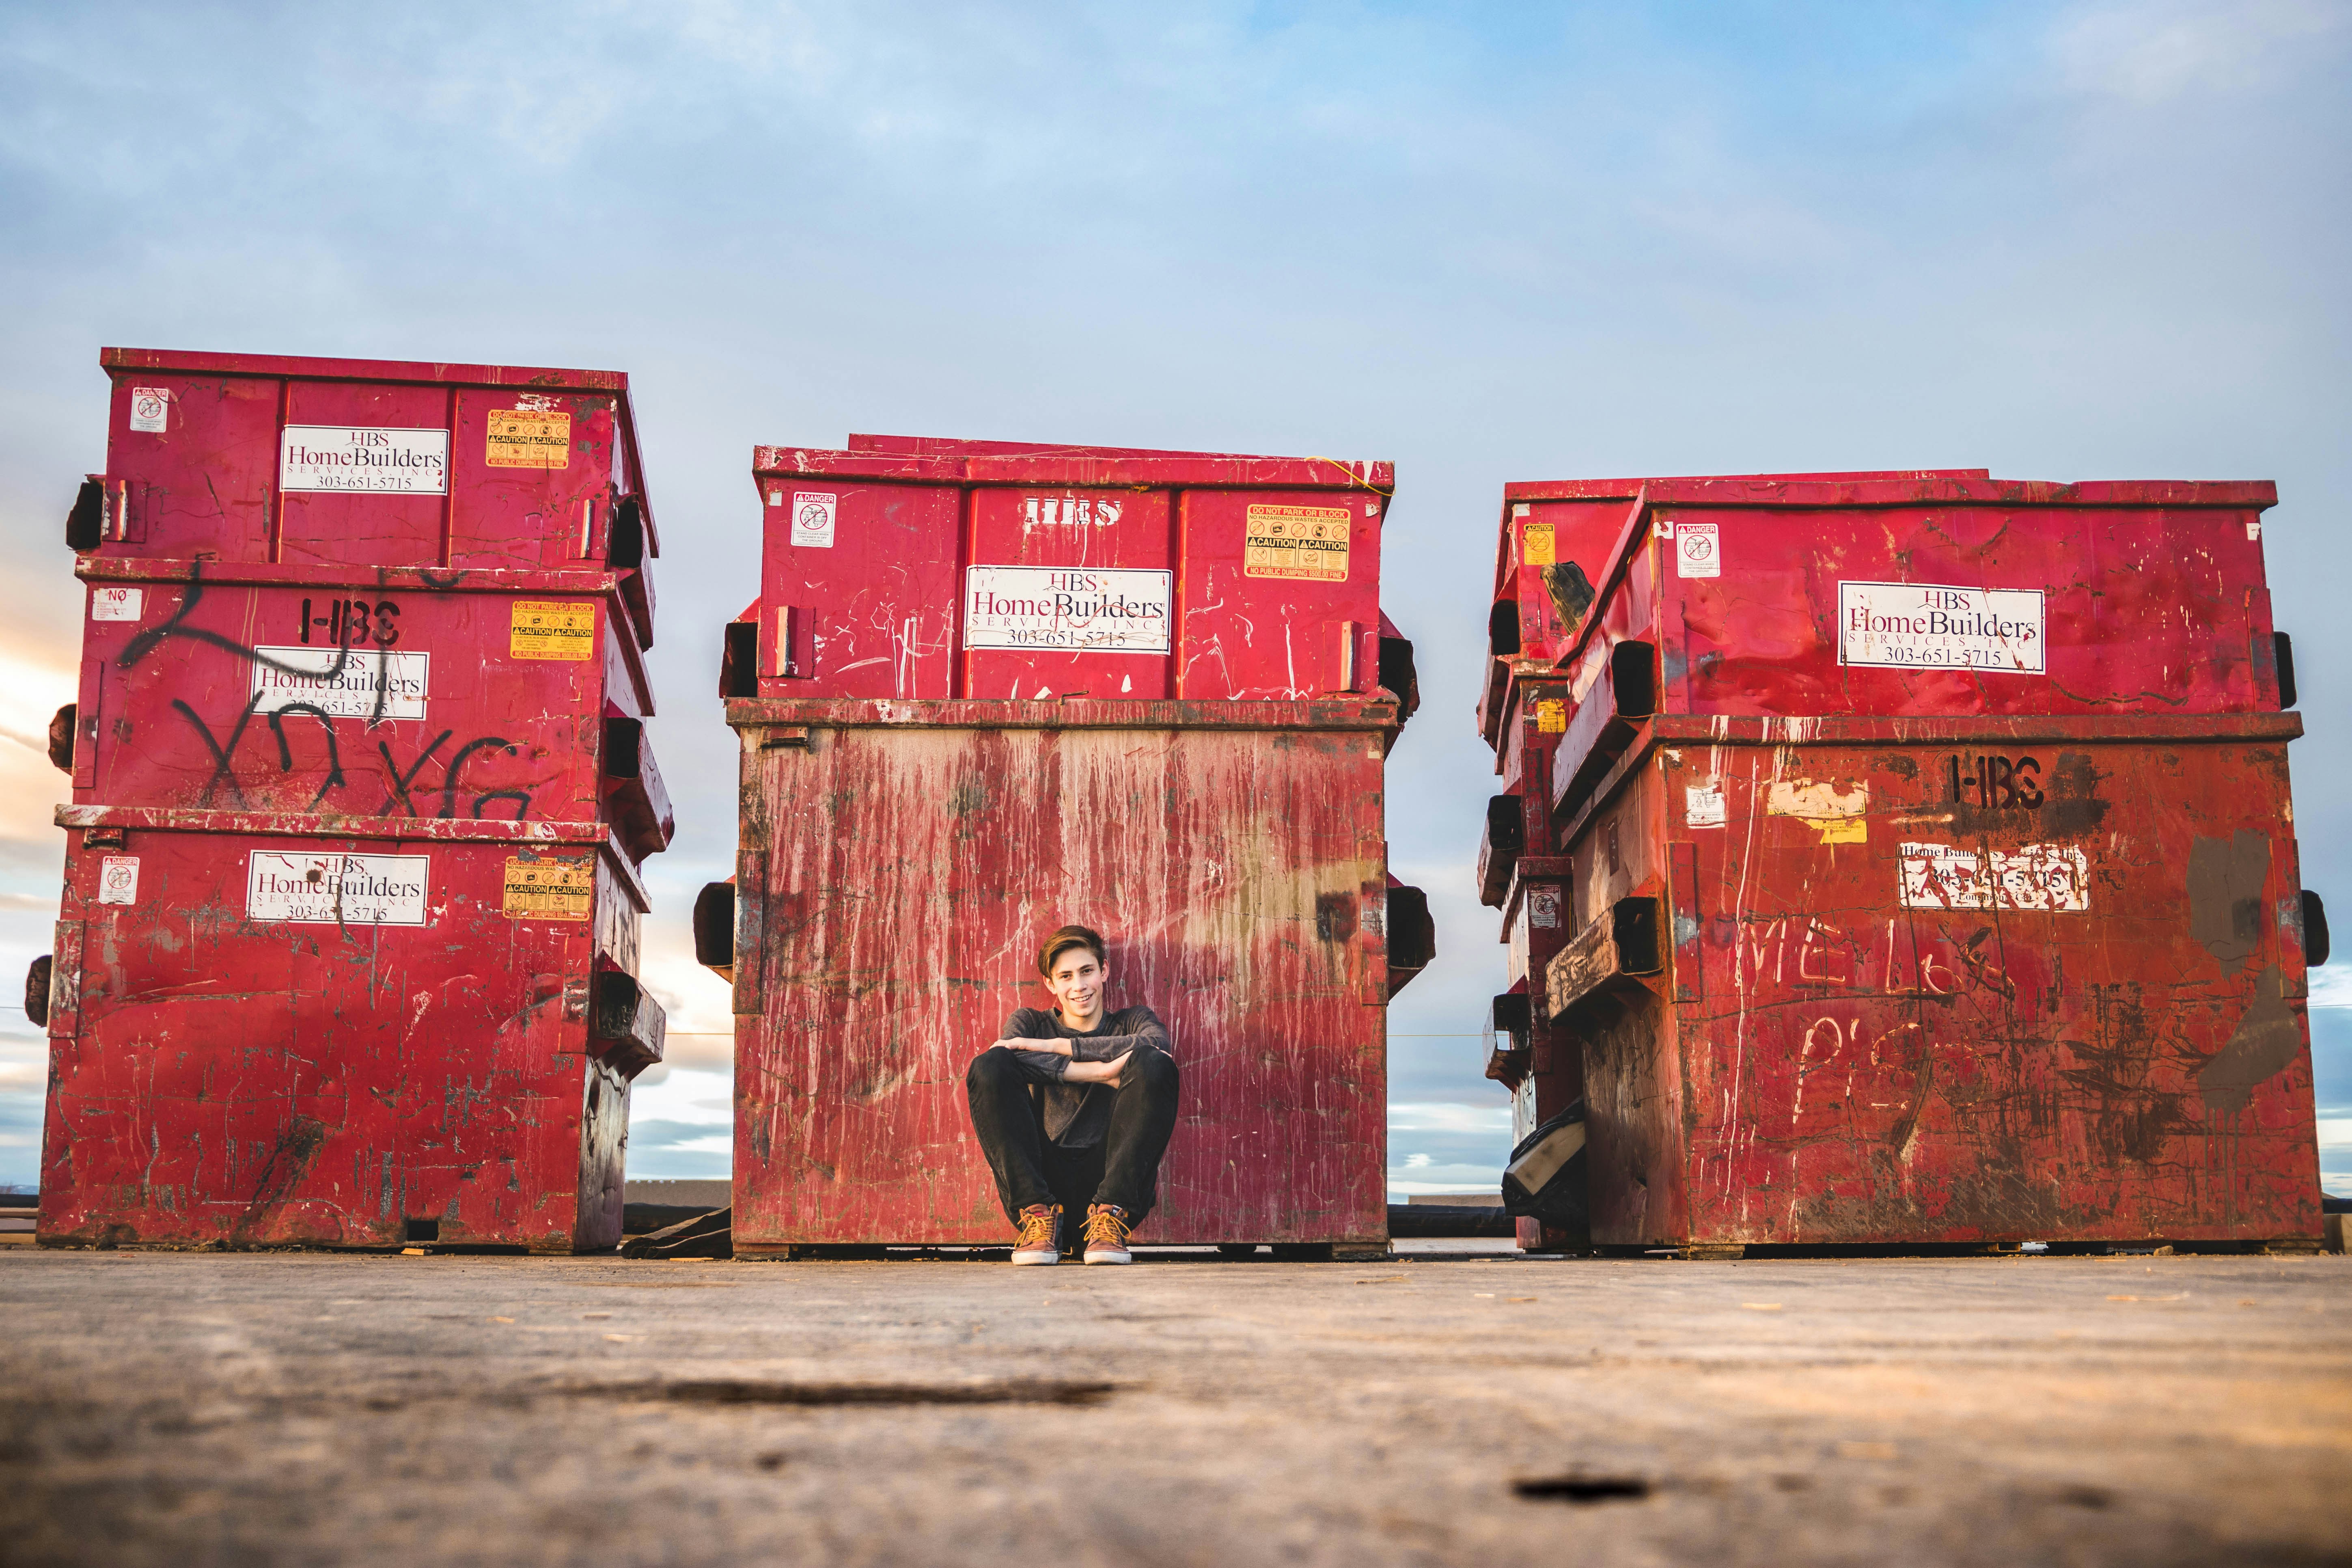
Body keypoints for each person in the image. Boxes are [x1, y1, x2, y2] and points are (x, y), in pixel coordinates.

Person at [964, 925, 1179, 1266]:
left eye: (1087, 971)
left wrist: (1056, 1046)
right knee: (990, 1066)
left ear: (1104, 970)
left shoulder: (1133, 1020)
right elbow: (1001, 1058)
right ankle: (1036, 1216)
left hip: (1111, 1183)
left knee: (1154, 1063)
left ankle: (1111, 1216)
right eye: (1065, 976)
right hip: (1044, 1190)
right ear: (1051, 983)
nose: (1078, 986)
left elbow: (1156, 1046)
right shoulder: (1030, 1023)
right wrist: (1099, 1071)